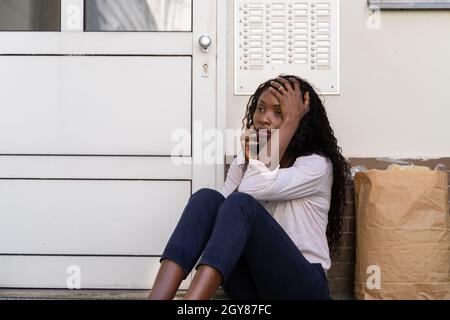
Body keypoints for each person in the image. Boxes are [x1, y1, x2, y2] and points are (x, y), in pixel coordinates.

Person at [149, 75, 349, 300]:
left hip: (303, 288)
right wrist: (252, 158)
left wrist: (289, 124)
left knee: (240, 203)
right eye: (261, 108)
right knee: (206, 200)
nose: (264, 118)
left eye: (279, 112)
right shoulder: (244, 163)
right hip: (256, 287)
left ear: (300, 121)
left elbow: (250, 193)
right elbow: (218, 221)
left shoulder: (316, 165)